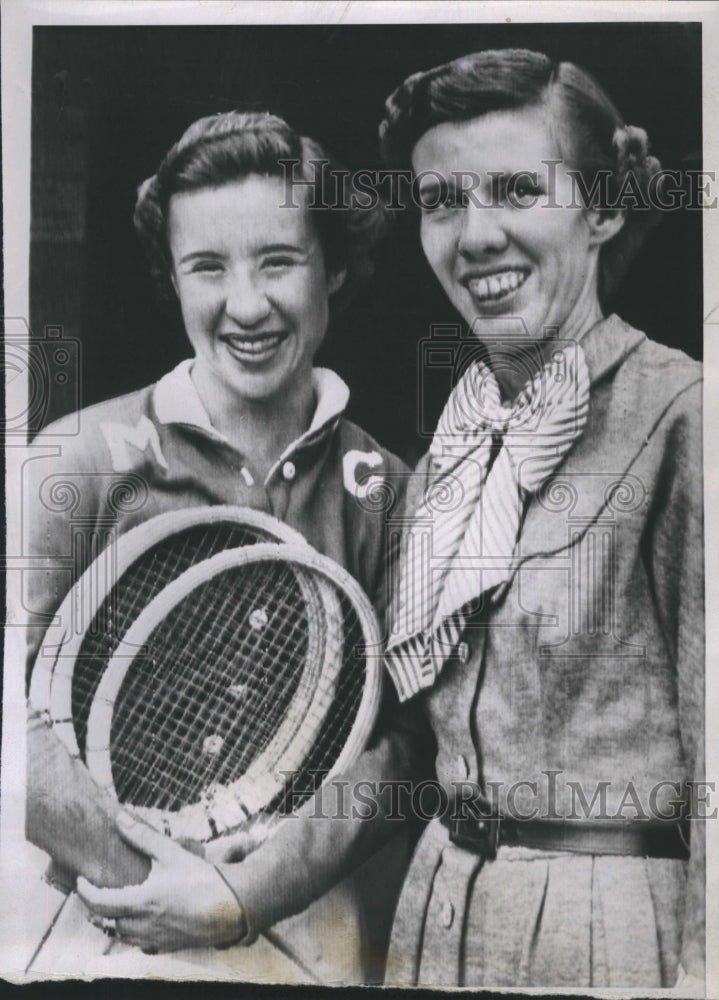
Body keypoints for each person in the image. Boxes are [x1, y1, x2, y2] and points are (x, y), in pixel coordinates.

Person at [78, 49, 704, 990]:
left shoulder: (689, 419)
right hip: (435, 922)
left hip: (612, 942)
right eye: (443, 202)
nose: (475, 234)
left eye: (516, 190)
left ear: (603, 207)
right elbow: (411, 740)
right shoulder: (456, 442)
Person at [25, 109, 412, 983]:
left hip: (308, 951)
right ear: (172, 277)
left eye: (278, 261)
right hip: (99, 948)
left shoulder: (391, 490)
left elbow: (406, 745)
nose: (246, 305)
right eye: (207, 267)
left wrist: (250, 898)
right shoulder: (75, 462)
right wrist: (163, 890)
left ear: (337, 267)